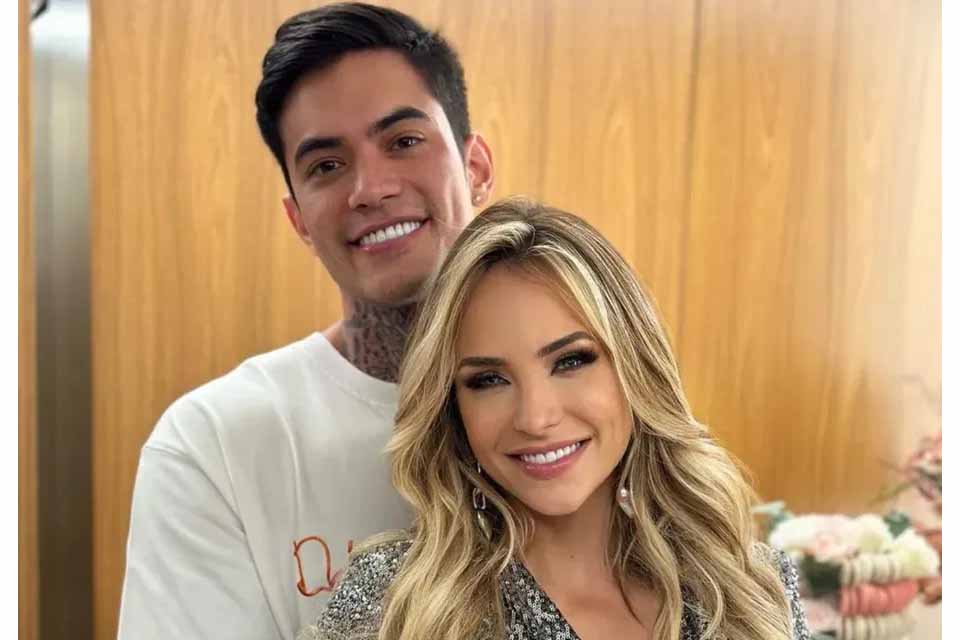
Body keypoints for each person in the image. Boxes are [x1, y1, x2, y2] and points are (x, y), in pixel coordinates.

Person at [116, 4, 494, 639]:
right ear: (300, 222)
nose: (370, 188)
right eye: (326, 166)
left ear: (475, 168)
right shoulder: (212, 445)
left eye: (404, 141)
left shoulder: (585, 407)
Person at [298, 199, 811, 640]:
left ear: (634, 366)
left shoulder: (750, 588)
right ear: (453, 409)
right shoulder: (396, 601)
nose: (536, 418)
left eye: (571, 361)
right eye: (488, 380)